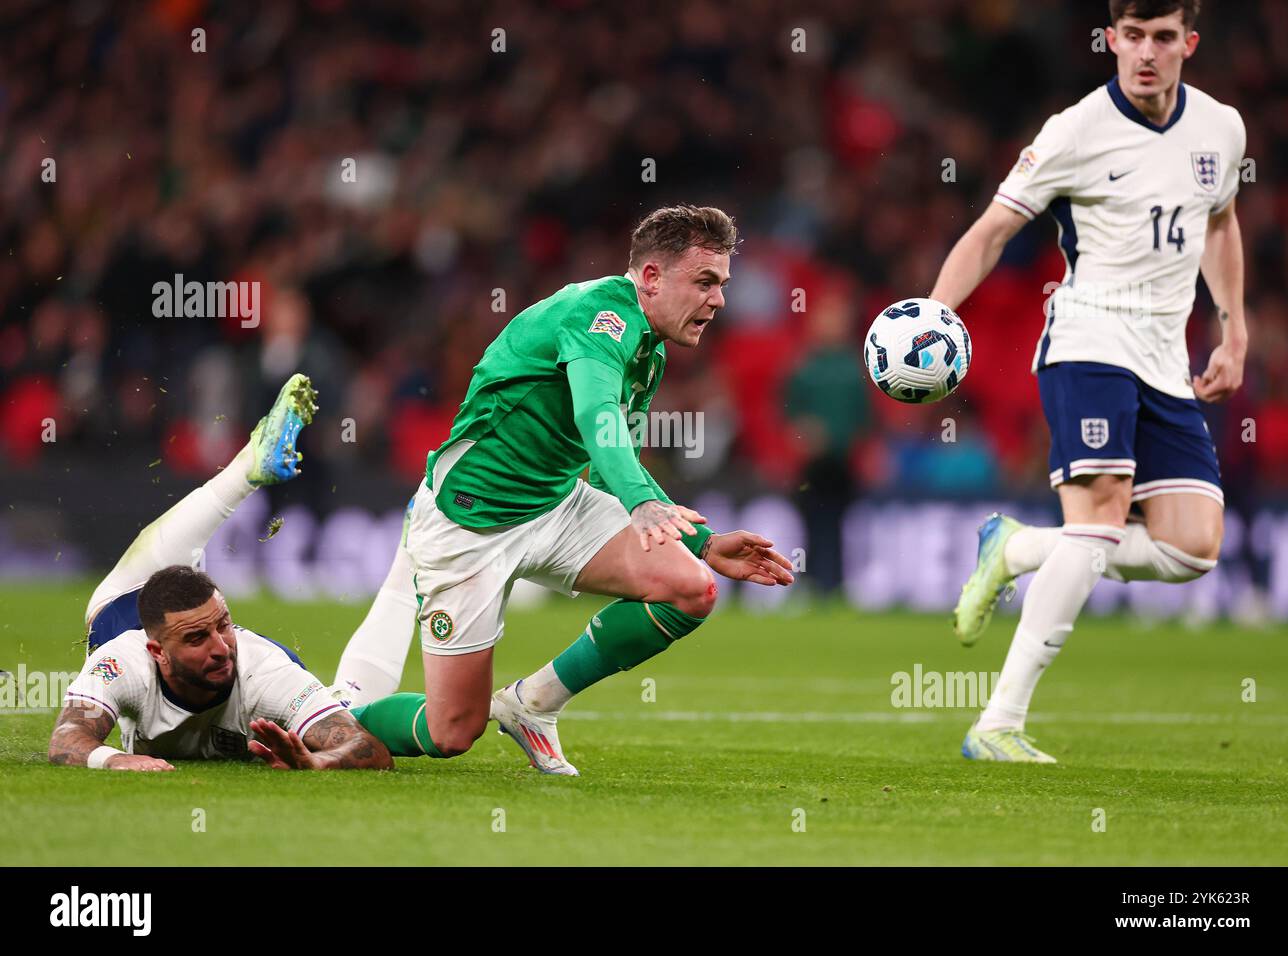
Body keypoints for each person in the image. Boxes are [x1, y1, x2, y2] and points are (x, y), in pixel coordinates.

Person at [339, 205, 796, 776]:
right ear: (651, 277)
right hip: (471, 520)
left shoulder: (648, 348)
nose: (719, 300)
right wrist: (640, 500)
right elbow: (596, 413)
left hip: (554, 504)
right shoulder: (599, 314)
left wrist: (703, 543)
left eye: (722, 285)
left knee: (691, 588)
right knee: (452, 730)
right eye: (705, 282)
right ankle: (333, 722)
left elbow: (609, 462)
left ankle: (533, 705)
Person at [932, 0, 1246, 762]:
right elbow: (993, 230)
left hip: (1166, 360)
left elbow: (1218, 222)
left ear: (1188, 43)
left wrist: (1234, 324)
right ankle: (996, 724)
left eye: (1163, 38)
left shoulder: (1221, 128)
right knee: (1101, 521)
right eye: (1131, 36)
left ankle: (1015, 548)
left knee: (1191, 549)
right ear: (1110, 39)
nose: (1145, 53)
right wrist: (935, 316)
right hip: (1089, 338)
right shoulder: (1074, 130)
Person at [49, 374, 393, 771]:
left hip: (128, 605)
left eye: (223, 626)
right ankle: (249, 465)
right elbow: (65, 741)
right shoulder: (122, 663)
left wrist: (320, 763)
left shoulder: (265, 674)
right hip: (124, 612)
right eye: (197, 638)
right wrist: (115, 760)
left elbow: (369, 749)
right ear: (156, 652)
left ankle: (250, 466)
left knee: (353, 709)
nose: (220, 646)